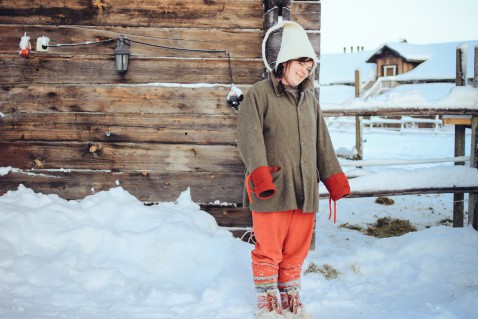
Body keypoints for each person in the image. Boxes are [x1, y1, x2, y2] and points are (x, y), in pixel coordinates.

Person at [236, 21, 350, 319]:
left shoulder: (310, 99)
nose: (306, 70)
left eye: (310, 66)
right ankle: (267, 299)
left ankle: (290, 296)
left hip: (304, 188)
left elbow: (321, 141)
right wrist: (259, 172)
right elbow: (249, 137)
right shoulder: (259, 95)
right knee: (270, 248)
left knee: (297, 248)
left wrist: (332, 176)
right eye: (301, 63)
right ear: (285, 60)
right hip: (271, 185)